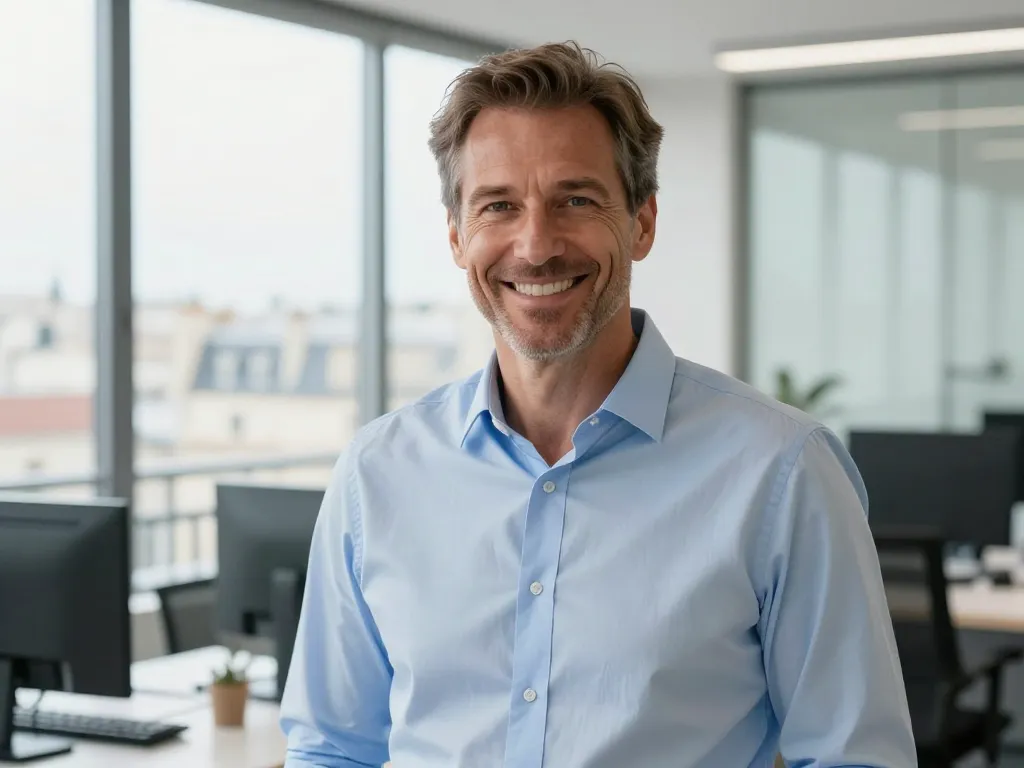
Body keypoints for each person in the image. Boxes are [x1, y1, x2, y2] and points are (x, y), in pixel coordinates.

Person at [279, 41, 915, 768]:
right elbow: (332, 750)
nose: (536, 244)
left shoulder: (782, 472)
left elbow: (853, 758)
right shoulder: (377, 473)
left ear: (642, 222)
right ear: (457, 236)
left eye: (575, 200)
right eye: (498, 206)